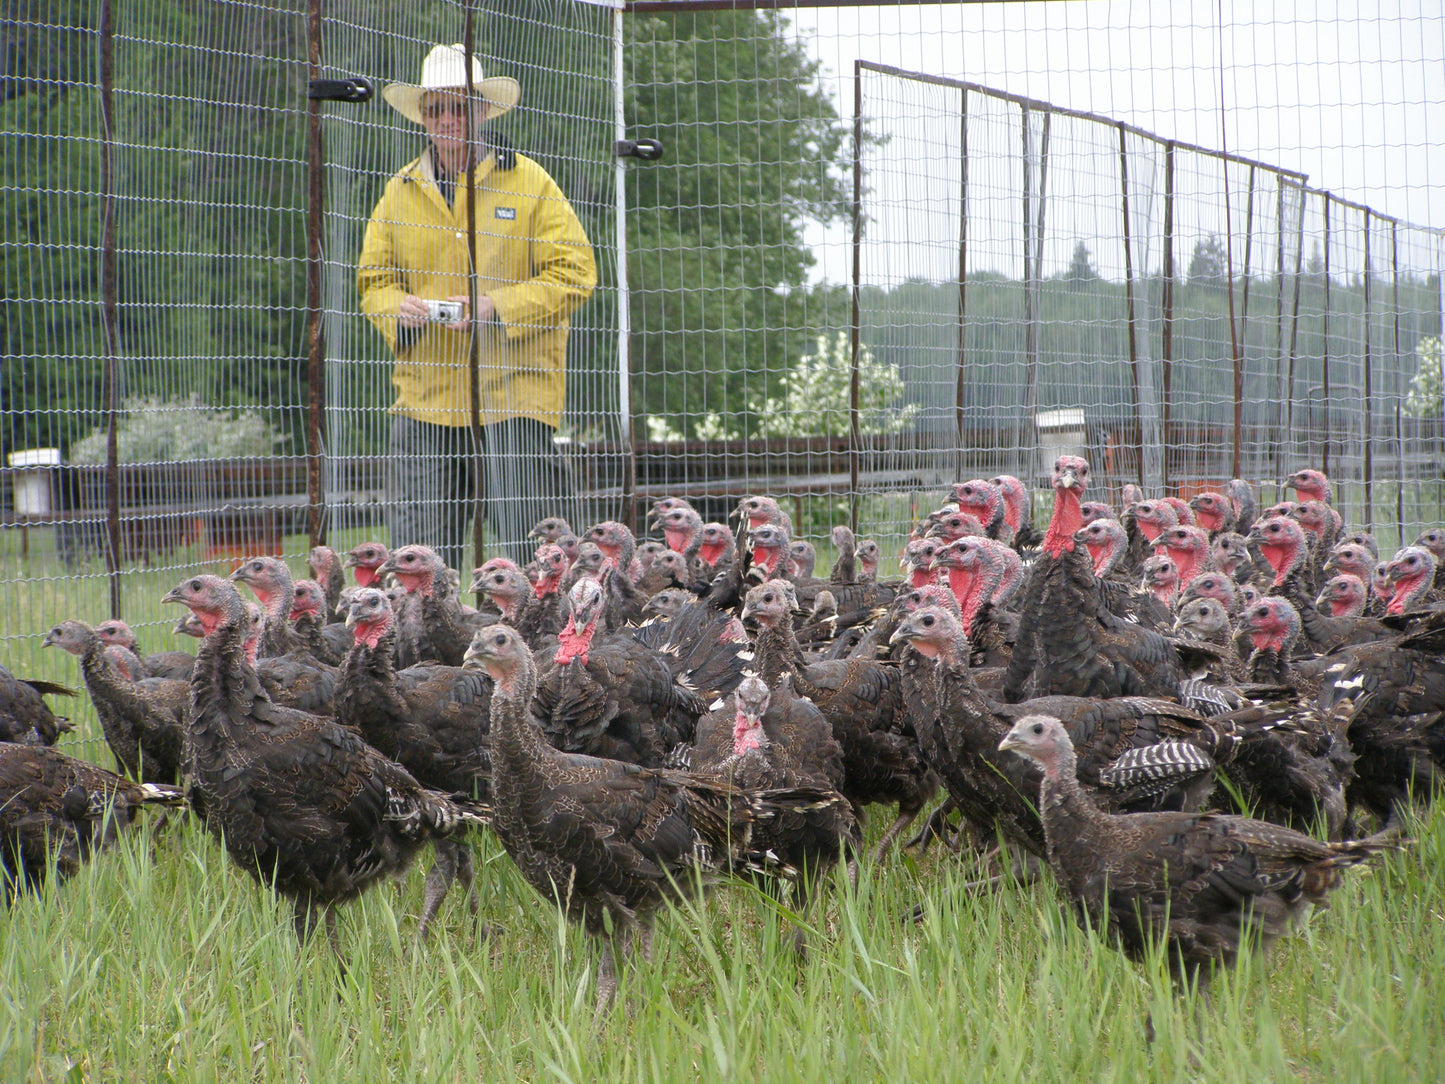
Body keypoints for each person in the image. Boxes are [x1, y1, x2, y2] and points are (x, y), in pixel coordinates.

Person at [358, 42, 596, 573]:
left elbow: (577, 273)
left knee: (531, 559)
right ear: (422, 116)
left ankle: (544, 652)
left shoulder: (532, 183)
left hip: (514, 395)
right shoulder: (397, 192)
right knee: (419, 565)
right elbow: (373, 281)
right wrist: (399, 308)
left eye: (460, 106)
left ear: (484, 110)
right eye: (436, 108)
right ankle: (425, 656)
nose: (448, 119)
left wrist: (496, 305)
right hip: (425, 399)